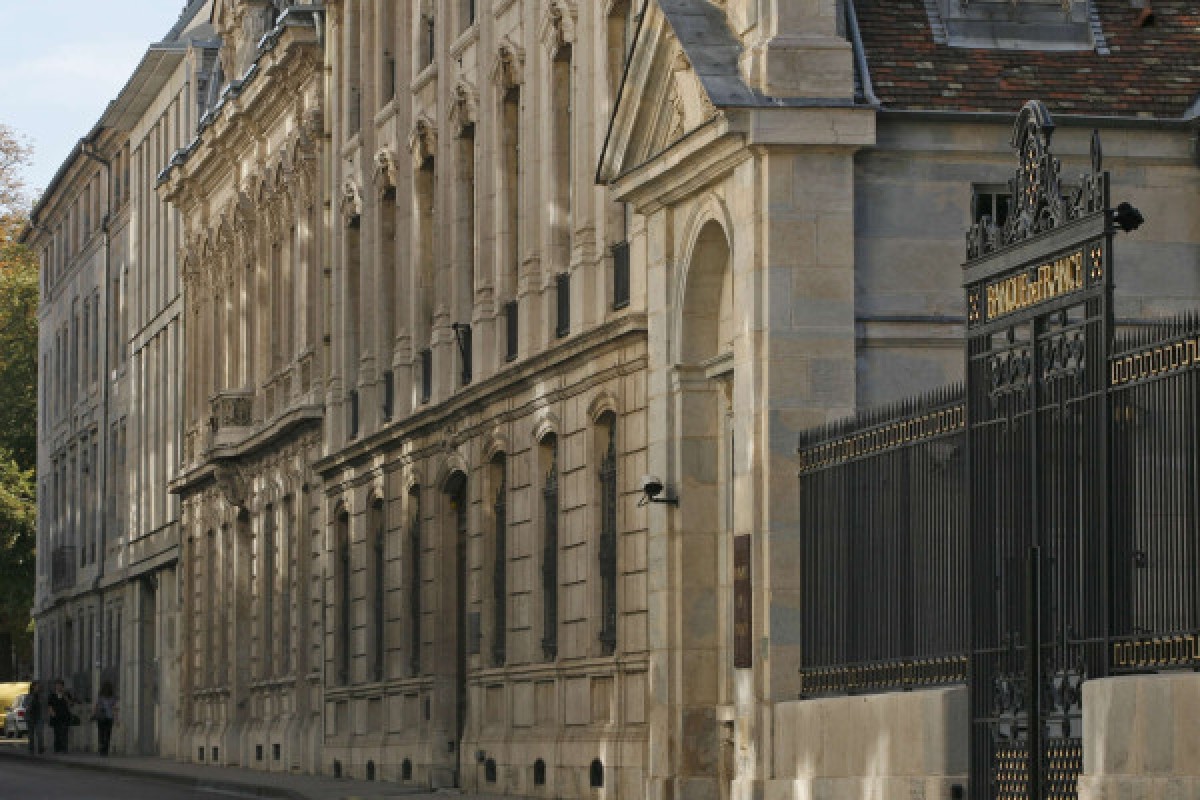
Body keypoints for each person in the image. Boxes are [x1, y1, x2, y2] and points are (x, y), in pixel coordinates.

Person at [46, 680, 73, 753]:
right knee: (57, 733)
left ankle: (64, 748)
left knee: (64, 732)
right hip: (56, 716)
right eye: (57, 685)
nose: (59, 687)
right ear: (55, 686)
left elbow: (70, 704)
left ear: (63, 686)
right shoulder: (52, 695)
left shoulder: (66, 694)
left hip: (65, 716)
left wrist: (65, 697)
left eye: (60, 685)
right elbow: (49, 705)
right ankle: (57, 748)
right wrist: (52, 713)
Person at [93, 682, 117, 755]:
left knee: (101, 734)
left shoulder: (100, 697)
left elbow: (96, 706)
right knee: (108, 734)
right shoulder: (112, 698)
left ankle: (101, 748)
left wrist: (95, 714)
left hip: (101, 718)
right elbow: (114, 708)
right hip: (109, 718)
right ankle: (106, 749)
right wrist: (116, 718)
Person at [25, 681, 43, 755]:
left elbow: (43, 705)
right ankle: (31, 749)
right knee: (31, 734)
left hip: (38, 717)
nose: (38, 688)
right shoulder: (29, 696)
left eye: (38, 686)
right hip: (30, 717)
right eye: (36, 686)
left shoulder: (40, 696)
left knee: (39, 733)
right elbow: (25, 705)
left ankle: (40, 748)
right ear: (33, 687)